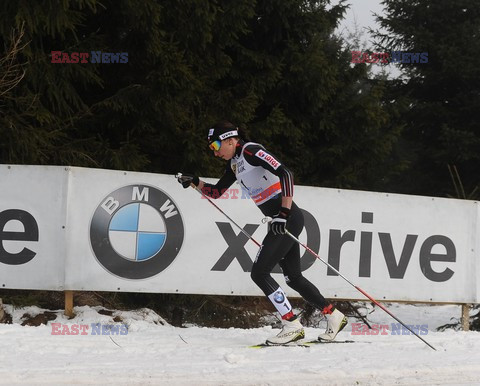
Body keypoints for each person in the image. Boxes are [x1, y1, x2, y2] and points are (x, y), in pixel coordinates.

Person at [177, 121, 347, 345]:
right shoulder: (234, 164)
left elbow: (285, 173)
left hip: (287, 218)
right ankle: (334, 315)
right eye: (211, 148)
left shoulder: (250, 151)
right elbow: (217, 192)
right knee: (293, 278)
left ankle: (291, 324)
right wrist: (195, 182)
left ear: (231, 140)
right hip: (280, 221)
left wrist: (283, 213)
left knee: (259, 272)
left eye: (216, 145)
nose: (215, 151)